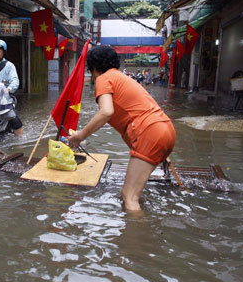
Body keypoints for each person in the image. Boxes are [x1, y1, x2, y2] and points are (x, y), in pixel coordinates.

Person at [68, 46, 176, 212]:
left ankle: (136, 237)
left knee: (129, 197)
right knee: (134, 195)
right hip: (165, 130)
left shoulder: (104, 78)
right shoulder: (121, 78)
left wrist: (79, 136)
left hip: (149, 133)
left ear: (94, 68)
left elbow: (106, 112)